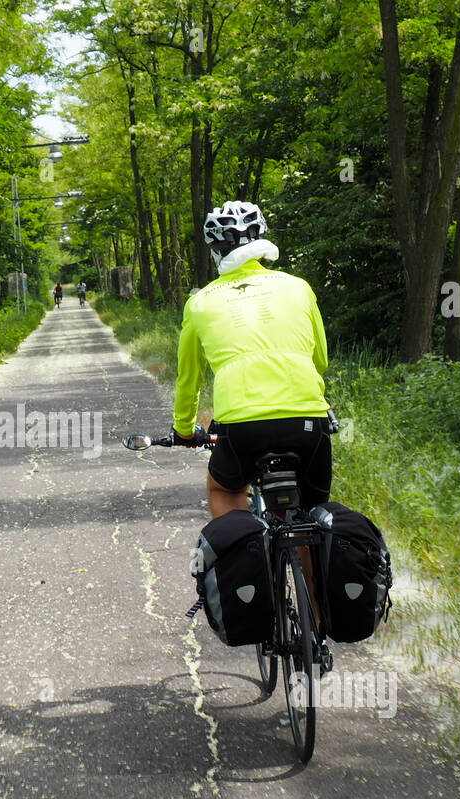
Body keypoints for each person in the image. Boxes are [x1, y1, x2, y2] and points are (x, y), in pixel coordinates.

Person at [172, 200, 331, 635]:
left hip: (241, 428)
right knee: (311, 512)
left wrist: (185, 428)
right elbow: (320, 360)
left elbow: (189, 379)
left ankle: (250, 570)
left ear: (214, 251)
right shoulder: (298, 287)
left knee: (224, 487)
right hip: (307, 421)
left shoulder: (201, 302)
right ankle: (317, 614)